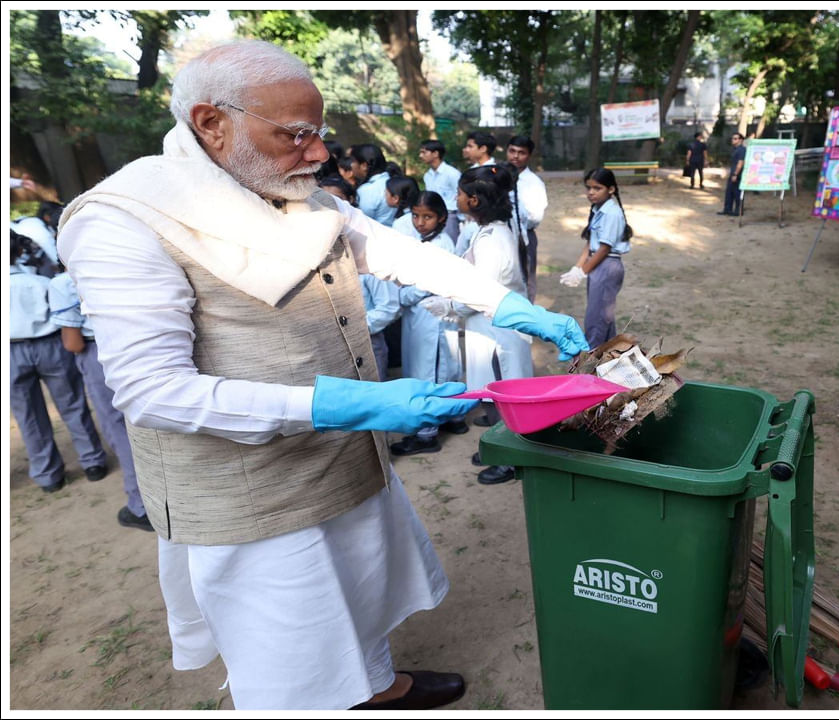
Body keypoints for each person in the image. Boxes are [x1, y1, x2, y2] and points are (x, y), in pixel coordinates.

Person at [56, 39, 589, 711]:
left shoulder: (292, 190)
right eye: (296, 136)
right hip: (251, 492)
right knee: (292, 644)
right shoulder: (124, 221)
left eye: (319, 134)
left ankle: (377, 686)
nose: (319, 155)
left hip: (342, 458)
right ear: (210, 123)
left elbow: (395, 252)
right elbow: (153, 391)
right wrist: (342, 404)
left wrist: (509, 304)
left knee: (359, 591)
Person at [430, 165, 532, 485]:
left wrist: (449, 307)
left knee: (501, 394)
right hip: (489, 327)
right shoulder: (490, 230)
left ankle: (511, 460)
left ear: (474, 200)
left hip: (496, 329)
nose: (455, 198)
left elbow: (481, 293)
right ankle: (501, 449)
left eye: (459, 194)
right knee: (492, 391)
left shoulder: (492, 239)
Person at [48, 270, 153, 530]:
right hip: (142, 344)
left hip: (99, 352)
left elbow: (73, 344)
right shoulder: (122, 264)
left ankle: (141, 505)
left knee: (119, 427)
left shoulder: (64, 283)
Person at [9, 232, 109, 494]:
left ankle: (48, 476)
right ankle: (92, 461)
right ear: (20, 252)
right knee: (73, 404)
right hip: (51, 345)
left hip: (11, 352)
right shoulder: (42, 282)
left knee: (28, 414)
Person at [388, 190, 468, 456]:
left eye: (428, 217)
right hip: (424, 316)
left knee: (429, 372)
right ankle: (453, 418)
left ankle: (426, 434)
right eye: (415, 215)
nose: (420, 222)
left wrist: (401, 294)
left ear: (442, 217)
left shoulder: (441, 245)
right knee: (443, 367)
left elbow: (424, 285)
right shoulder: (422, 240)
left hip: (430, 317)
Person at [560, 168, 633, 348]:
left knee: (597, 320)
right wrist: (577, 268)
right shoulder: (598, 208)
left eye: (597, 188)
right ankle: (606, 360)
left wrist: (583, 272)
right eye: (588, 188)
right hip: (598, 263)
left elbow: (604, 248)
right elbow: (590, 243)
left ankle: (592, 362)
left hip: (607, 265)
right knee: (601, 316)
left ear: (611, 189)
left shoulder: (611, 212)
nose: (591, 192)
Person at [505, 135, 547, 301]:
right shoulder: (499, 176)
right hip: (501, 233)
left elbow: (535, 216)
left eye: (521, 153)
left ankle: (526, 316)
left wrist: (516, 221)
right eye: (512, 151)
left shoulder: (533, 182)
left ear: (529, 156)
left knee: (525, 277)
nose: (515, 156)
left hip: (524, 235)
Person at [418, 139, 462, 243]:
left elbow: (461, 195)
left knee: (450, 244)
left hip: (450, 216)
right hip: (432, 216)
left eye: (424, 152)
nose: (420, 155)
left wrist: (462, 219)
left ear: (435, 154)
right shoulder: (427, 175)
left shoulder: (452, 174)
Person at [12, 201, 64, 275]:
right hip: (28, 270)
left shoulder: (29, 222)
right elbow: (52, 252)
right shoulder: (35, 225)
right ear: (47, 217)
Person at [353, 143, 397, 225]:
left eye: (353, 161)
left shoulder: (367, 190)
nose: (351, 165)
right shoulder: (394, 181)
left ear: (364, 165)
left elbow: (362, 221)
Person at [719, 132, 746, 216]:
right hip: (733, 172)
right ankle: (727, 209)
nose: (733, 140)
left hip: (738, 174)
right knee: (729, 191)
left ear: (740, 140)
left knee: (737, 192)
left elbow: (740, 163)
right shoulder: (735, 149)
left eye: (735, 138)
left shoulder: (742, 149)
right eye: (732, 138)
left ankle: (738, 210)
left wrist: (735, 174)